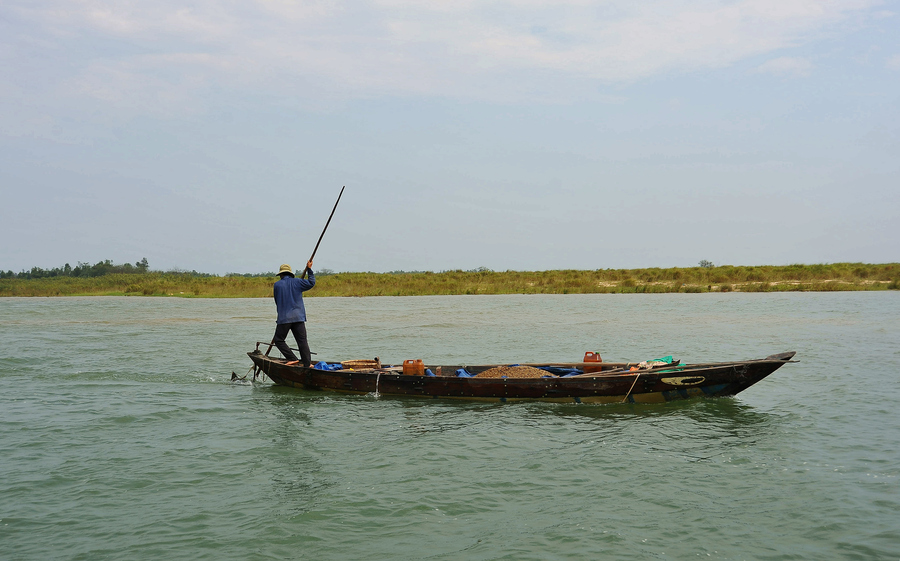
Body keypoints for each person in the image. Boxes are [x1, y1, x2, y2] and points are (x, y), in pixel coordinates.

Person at [272, 260, 316, 367]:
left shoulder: (277, 285)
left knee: (278, 340)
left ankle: (292, 358)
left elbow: (277, 300)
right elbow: (311, 282)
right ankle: (307, 364)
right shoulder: (298, 282)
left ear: (281, 274)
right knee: (302, 342)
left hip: (284, 318)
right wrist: (309, 269)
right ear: (291, 274)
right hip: (298, 317)